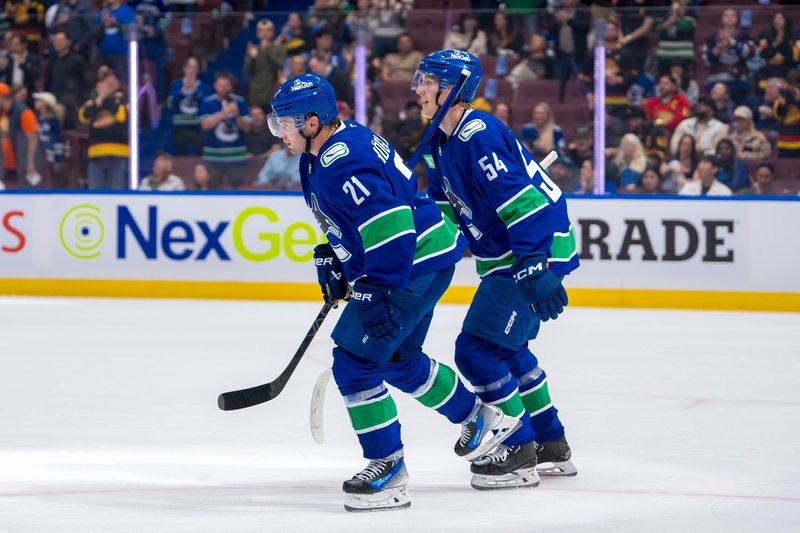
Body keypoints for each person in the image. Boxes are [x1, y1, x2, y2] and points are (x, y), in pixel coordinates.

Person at [268, 73, 520, 512]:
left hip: (410, 262)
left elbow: (393, 229)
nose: (280, 131)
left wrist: (375, 289)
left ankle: (388, 468)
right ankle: (481, 420)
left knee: (355, 364)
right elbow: (356, 218)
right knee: (400, 360)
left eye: (285, 123)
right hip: (421, 257)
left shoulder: (342, 162)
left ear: (312, 122)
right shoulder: (323, 152)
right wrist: (337, 253)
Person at [414, 50, 580, 489]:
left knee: (476, 351)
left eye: (428, 82)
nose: (418, 89)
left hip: (530, 250)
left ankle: (518, 450)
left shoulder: (477, 134)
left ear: (453, 90)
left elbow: (523, 203)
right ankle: (550, 442)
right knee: (507, 351)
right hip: (509, 255)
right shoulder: (439, 141)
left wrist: (531, 263)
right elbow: (453, 211)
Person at [78, 66, 128, 189]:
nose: (109, 85)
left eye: (113, 82)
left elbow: (121, 117)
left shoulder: (123, 101)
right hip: (96, 152)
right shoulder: (92, 102)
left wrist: (105, 100)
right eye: (106, 82)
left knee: (116, 191)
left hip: (118, 152)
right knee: (95, 192)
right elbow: (83, 117)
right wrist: (99, 100)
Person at [199, 73, 251, 189]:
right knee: (213, 189)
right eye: (220, 85)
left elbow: (247, 128)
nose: (223, 88)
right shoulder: (207, 102)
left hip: (236, 156)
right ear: (215, 86)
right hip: (213, 156)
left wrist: (237, 115)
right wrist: (222, 114)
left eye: (226, 85)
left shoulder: (240, 101)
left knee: (237, 190)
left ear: (231, 86)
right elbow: (205, 125)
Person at [168, 56, 209, 156]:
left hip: (198, 125)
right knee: (181, 154)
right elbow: (171, 103)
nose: (192, 70)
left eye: (195, 67)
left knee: (199, 152)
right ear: (184, 68)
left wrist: (196, 92)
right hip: (180, 125)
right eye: (190, 67)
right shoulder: (176, 84)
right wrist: (183, 90)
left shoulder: (204, 86)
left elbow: (206, 105)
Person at [0, 81, 39, 188]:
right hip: (7, 166)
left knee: (27, 198)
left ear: (2, 98)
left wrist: (30, 162)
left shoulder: (24, 112)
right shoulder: (3, 113)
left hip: (24, 166)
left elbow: (33, 139)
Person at [244, 19, 287, 111]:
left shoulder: (280, 49)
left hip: (273, 92)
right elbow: (247, 71)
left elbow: (279, 66)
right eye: (261, 30)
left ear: (272, 32)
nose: (264, 33)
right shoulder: (253, 49)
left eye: (268, 30)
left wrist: (267, 51)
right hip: (256, 93)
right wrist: (253, 58)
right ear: (257, 33)